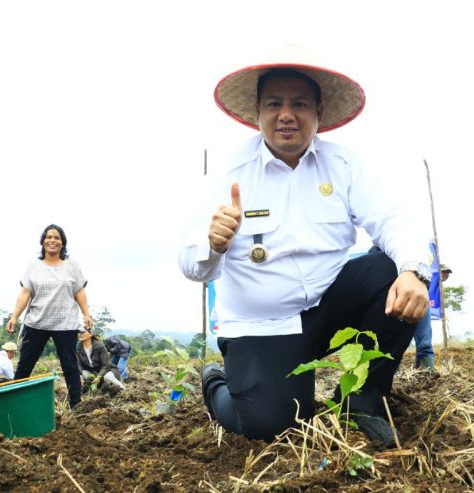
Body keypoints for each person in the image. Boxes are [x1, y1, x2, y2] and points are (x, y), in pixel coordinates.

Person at [179, 49, 431, 447]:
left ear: (318, 111)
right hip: (262, 325)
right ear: (258, 111)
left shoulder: (343, 166)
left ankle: (362, 400)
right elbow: (192, 265)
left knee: (388, 272)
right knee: (271, 425)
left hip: (327, 305)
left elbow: (393, 220)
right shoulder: (231, 174)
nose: (286, 115)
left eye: (299, 104)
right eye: (274, 104)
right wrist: (212, 244)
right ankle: (216, 384)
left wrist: (414, 271)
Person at [5, 224, 93, 409]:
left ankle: (76, 406)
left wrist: (86, 314)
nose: (52, 240)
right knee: (25, 365)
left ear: (63, 243)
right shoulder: (33, 266)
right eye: (49, 237)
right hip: (36, 322)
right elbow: (25, 293)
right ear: (43, 242)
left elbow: (79, 291)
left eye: (57, 238)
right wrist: (14, 316)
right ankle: (13, 404)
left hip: (65, 324)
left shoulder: (71, 266)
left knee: (70, 366)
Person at [413, 263, 452, 371]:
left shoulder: (435, 285)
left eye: (447, 273)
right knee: (397, 341)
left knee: (424, 342)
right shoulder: (422, 272)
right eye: (444, 272)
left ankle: (426, 371)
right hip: (406, 301)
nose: (446, 275)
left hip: (423, 305)